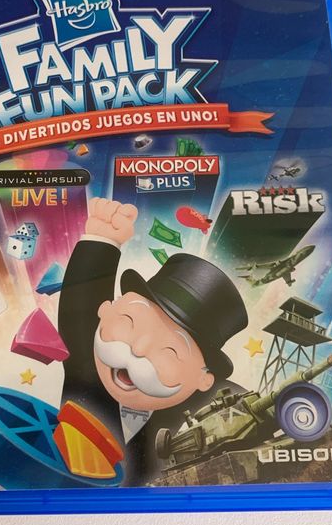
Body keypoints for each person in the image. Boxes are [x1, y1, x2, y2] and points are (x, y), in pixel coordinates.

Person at [58, 197, 248, 484]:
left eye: (169, 352)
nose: (139, 349)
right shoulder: (88, 375)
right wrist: (101, 241)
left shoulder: (211, 413)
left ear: (204, 379)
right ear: (105, 310)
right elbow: (79, 316)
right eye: (129, 322)